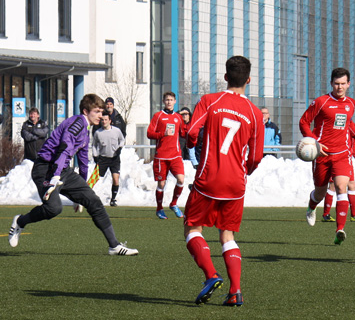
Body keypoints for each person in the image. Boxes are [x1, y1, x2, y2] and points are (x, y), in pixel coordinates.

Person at [8, 94, 138, 256]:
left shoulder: (86, 129)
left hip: (62, 170)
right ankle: (20, 221)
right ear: (85, 111)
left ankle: (114, 246)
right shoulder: (76, 124)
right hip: (45, 169)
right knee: (54, 208)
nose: (101, 115)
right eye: (97, 111)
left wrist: (80, 193)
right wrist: (54, 177)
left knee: (93, 201)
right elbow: (64, 149)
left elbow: (83, 160)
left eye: (102, 111)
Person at [183, 55, 264, 307]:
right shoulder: (254, 112)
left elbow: (192, 132)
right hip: (235, 184)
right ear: (248, 80)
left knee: (192, 228)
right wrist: (245, 171)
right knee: (227, 235)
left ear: (226, 77)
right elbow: (257, 156)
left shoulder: (210, 101)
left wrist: (192, 144)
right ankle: (235, 291)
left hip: (208, 178)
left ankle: (211, 275)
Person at [299, 67, 355, 246]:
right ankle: (312, 207)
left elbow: (348, 124)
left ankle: (339, 230)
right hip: (321, 155)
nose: (340, 87)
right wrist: (314, 143)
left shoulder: (351, 103)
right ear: (331, 83)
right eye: (336, 84)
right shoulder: (321, 101)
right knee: (320, 193)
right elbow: (303, 122)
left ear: (348, 84)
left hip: (342, 154)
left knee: (341, 187)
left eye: (343, 84)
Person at [147, 91, 186, 220]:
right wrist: (162, 133)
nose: (169, 102)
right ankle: (159, 209)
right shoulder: (158, 116)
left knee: (181, 179)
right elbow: (149, 134)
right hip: (161, 157)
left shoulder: (178, 117)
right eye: (167, 100)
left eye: (171, 100)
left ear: (175, 101)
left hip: (175, 155)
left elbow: (183, 133)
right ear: (164, 101)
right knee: (161, 184)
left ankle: (174, 203)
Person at [323, 125, 355, 222]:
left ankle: (354, 214)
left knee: (352, 185)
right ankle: (326, 214)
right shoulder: (336, 128)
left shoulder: (350, 127)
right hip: (336, 160)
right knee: (333, 186)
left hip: (347, 162)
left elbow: (353, 147)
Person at [92, 112, 125, 206]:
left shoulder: (116, 131)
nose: (104, 121)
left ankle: (113, 199)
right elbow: (94, 145)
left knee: (116, 178)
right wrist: (95, 156)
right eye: (102, 120)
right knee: (94, 178)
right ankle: (86, 197)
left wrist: (120, 148)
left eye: (106, 120)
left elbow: (122, 140)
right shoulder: (98, 133)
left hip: (114, 159)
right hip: (103, 159)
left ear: (110, 121)